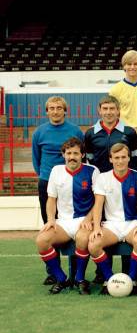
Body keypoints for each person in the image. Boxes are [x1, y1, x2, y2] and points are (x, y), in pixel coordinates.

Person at [35, 137, 99, 295]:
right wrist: (51, 219)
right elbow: (51, 200)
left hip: (83, 220)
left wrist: (88, 219)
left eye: (76, 153)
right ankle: (60, 278)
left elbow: (99, 201)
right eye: (68, 153)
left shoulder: (92, 171)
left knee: (84, 239)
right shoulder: (56, 171)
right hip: (63, 222)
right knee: (42, 240)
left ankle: (79, 279)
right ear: (63, 154)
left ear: (82, 155)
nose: (72, 156)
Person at [32, 96, 83, 284]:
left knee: (76, 224)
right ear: (47, 111)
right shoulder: (39, 132)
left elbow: (80, 154)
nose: (55, 111)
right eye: (51, 108)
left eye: (59, 108)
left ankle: (77, 271)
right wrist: (48, 176)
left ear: (65, 110)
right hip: (47, 182)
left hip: (73, 181)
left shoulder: (75, 130)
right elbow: (36, 159)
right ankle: (53, 272)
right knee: (49, 226)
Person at [89, 143, 137, 295]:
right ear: (110, 159)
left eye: (123, 157)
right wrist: (96, 228)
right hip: (111, 225)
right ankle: (109, 280)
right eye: (116, 158)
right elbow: (98, 204)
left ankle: (132, 281)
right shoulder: (103, 178)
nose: (120, 161)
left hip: (133, 223)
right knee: (93, 245)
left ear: (128, 158)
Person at [84, 95, 137, 173]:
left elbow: (134, 158)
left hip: (123, 176)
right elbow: (89, 159)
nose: (108, 112)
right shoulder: (90, 133)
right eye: (105, 109)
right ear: (99, 111)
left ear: (118, 110)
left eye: (112, 108)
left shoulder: (130, 132)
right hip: (99, 177)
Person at [108, 50, 137, 131]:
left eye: (136, 64)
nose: (132, 67)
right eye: (129, 64)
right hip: (125, 131)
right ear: (124, 66)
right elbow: (112, 113)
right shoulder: (116, 89)